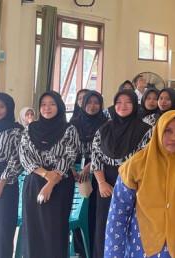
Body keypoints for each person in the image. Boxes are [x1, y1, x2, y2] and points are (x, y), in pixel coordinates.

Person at [104, 111, 175, 257]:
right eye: (168, 131)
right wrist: (113, 254)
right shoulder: (138, 164)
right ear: (159, 131)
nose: (174, 137)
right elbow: (118, 213)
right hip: (142, 247)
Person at [91, 89, 153, 258]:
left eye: (128, 102)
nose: (122, 106)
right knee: (104, 226)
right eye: (118, 102)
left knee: (131, 227)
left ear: (135, 105)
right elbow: (96, 158)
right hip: (107, 184)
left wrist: (134, 185)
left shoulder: (146, 130)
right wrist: (101, 183)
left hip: (134, 184)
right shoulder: (104, 130)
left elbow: (146, 160)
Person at [18, 91, 80, 257]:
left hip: (60, 185)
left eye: (52, 104)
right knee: (33, 229)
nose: (47, 108)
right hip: (34, 183)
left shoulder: (69, 129)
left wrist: (51, 183)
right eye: (43, 104)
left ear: (59, 106)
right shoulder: (30, 129)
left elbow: (69, 156)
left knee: (54, 230)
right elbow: (24, 155)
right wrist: (46, 174)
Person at [69, 89, 108, 257]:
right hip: (75, 173)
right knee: (76, 212)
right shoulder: (74, 123)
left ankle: (94, 250)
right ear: (83, 104)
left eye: (96, 103)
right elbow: (67, 147)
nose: (92, 106)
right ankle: (79, 250)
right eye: (89, 102)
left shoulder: (106, 124)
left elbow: (106, 149)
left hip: (98, 173)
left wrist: (90, 165)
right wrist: (71, 167)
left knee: (93, 213)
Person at [0, 92, 23, 258]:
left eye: (1, 107)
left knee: (3, 228)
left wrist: (2, 182)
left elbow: (17, 159)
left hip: (6, 183)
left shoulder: (16, 131)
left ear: (9, 108)